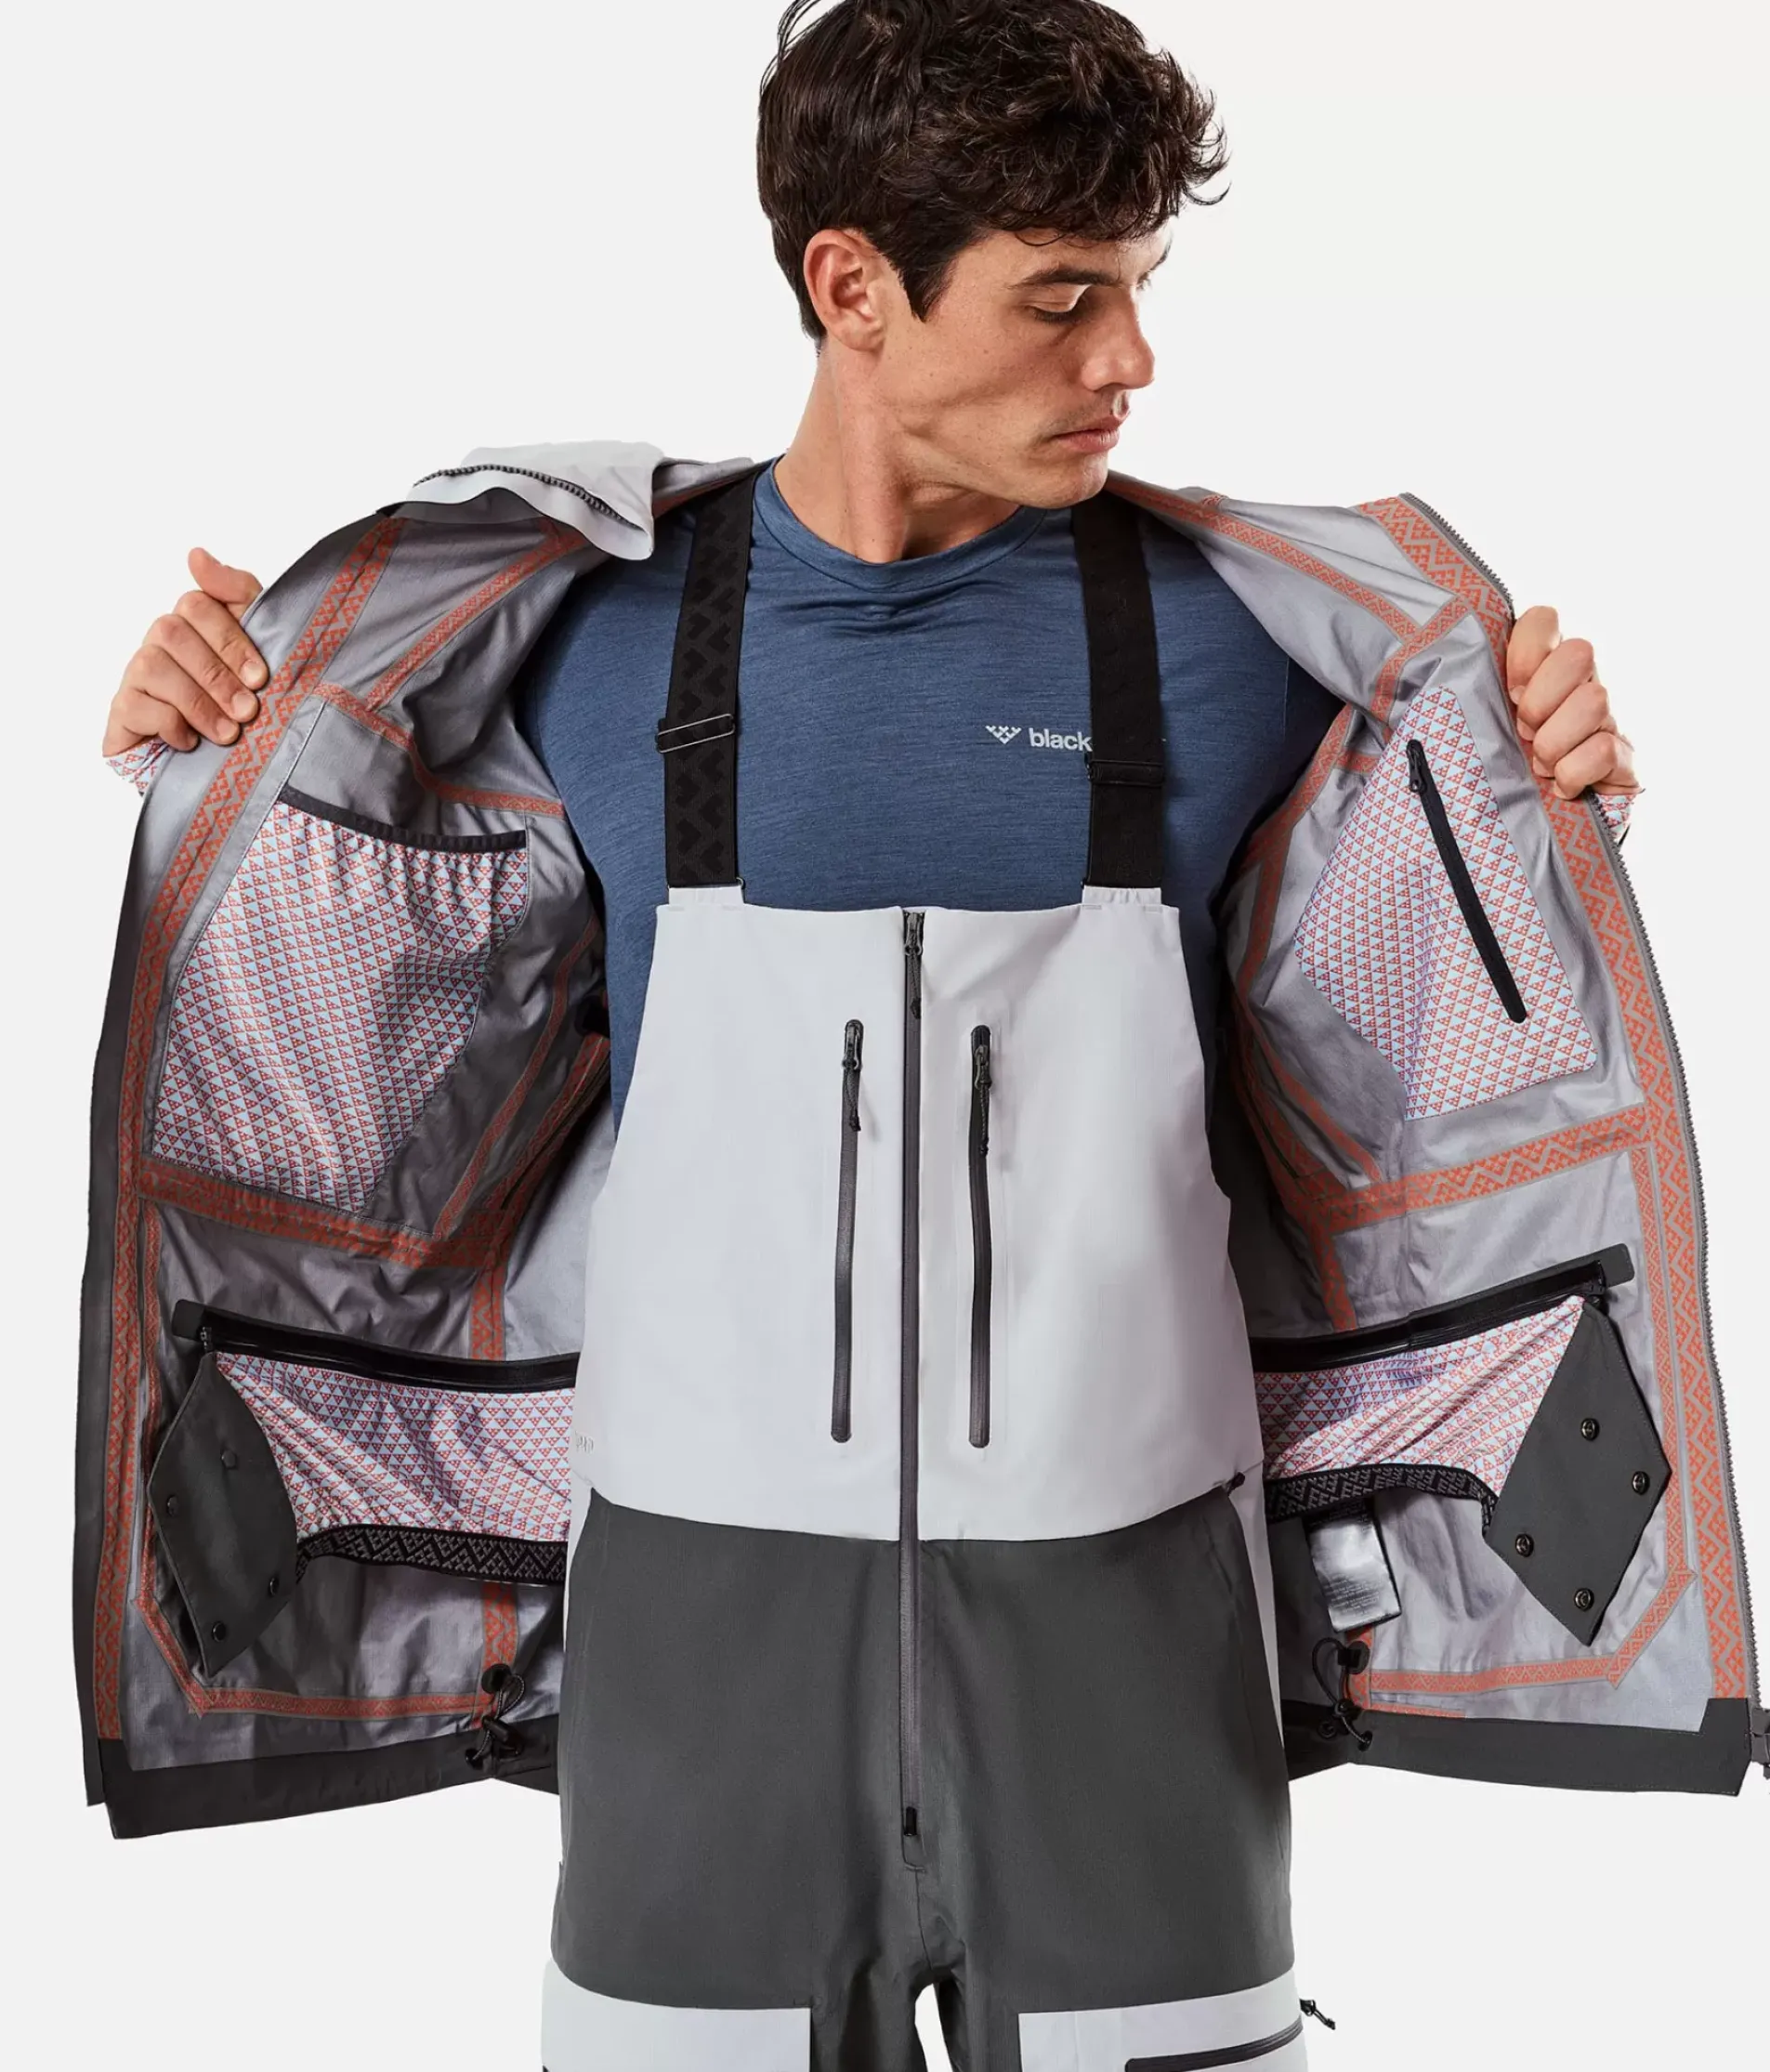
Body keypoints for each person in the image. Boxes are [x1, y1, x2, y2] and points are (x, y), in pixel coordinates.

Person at [92, 8, 1737, 2072]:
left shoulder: (1246, 646)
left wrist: (1539, 789)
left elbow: (1421, 1065)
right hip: (698, 1653)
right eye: (1063, 298)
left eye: (1138, 288)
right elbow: (363, 1079)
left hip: (1136, 1642)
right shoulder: (579, 640)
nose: (1130, 359)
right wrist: (220, 768)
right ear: (851, 284)